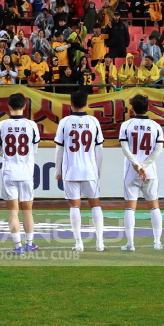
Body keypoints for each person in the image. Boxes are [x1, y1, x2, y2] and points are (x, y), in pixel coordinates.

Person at [54, 89, 105, 252]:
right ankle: (100, 243)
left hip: (71, 170)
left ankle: (79, 243)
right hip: (90, 170)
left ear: (71, 103)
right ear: (86, 103)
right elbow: (99, 148)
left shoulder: (65, 122)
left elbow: (59, 149)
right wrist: (98, 169)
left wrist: (57, 169)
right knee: (95, 205)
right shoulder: (94, 121)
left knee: (74, 206)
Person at [0, 93, 41, 255]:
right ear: (24, 106)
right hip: (26, 172)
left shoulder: (2, 125)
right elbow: (34, 150)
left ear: (9, 107)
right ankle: (29, 243)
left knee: (13, 211)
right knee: (27, 210)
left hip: (9, 172)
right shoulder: (31, 125)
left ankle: (17, 246)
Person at [118, 94, 164, 251]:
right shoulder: (155, 126)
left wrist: (137, 165)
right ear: (148, 108)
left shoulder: (126, 125)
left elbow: (125, 148)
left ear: (132, 108)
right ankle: (157, 242)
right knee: (154, 206)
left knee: (130, 208)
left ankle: (130, 243)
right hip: (150, 171)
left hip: (131, 172)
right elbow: (158, 150)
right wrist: (144, 165)